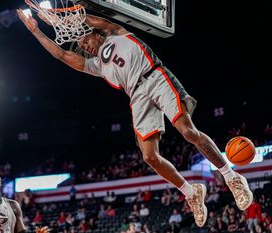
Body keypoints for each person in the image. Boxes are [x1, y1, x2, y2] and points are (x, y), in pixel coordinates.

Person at [17, 9, 253, 227]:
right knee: (149, 156)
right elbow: (61, 54)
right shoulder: (97, 65)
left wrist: (59, 18)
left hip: (155, 76)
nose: (84, 46)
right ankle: (191, 193)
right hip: (137, 96)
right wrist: (36, 31)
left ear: (96, 34)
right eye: (81, 45)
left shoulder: (117, 33)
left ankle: (232, 178)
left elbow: (94, 21)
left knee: (188, 131)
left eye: (86, 40)